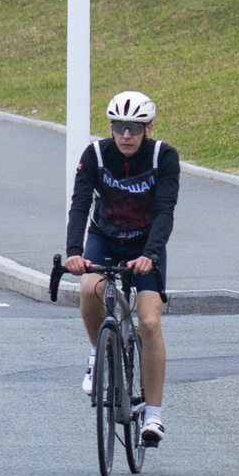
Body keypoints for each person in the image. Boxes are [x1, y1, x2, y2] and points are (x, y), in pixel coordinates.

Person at [65, 89, 178, 447]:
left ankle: (154, 416)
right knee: (88, 289)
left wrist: (151, 254)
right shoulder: (96, 155)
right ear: (110, 127)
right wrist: (73, 252)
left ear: (148, 128)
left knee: (148, 321)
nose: (126, 135)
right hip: (106, 238)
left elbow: (164, 211)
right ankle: (98, 354)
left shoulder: (163, 157)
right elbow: (80, 205)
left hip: (146, 246)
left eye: (134, 127)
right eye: (119, 126)